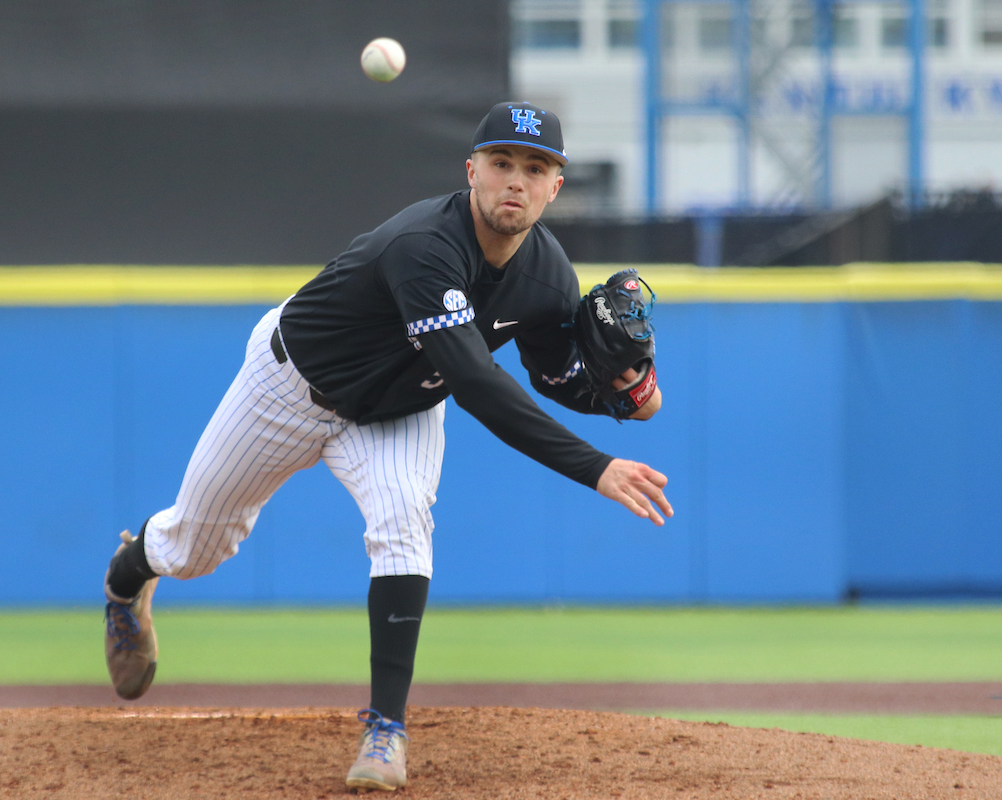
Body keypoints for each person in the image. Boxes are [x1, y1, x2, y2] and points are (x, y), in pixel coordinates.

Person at [102, 101, 673, 793]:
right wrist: (596, 466)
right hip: (290, 386)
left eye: (535, 168)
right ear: (472, 172)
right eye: (501, 164)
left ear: (557, 186)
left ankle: (386, 731)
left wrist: (623, 394)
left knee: (404, 526)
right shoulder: (425, 246)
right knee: (196, 551)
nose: (515, 182)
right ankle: (129, 573)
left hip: (399, 413)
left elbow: (551, 374)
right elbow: (474, 382)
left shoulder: (549, 276)